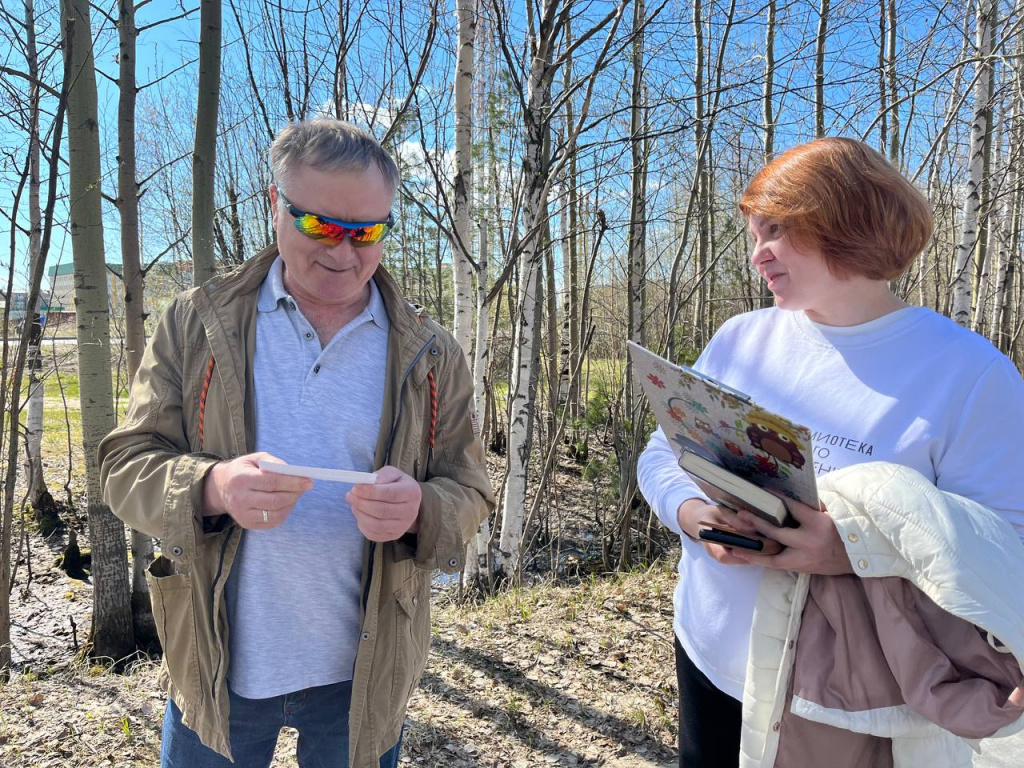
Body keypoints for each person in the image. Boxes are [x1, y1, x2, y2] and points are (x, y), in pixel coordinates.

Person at [99, 119, 494, 768]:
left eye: (367, 232)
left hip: (365, 674)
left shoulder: (430, 354)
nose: (344, 251)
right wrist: (212, 486)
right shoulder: (196, 323)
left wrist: (424, 509)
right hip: (215, 661)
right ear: (273, 207)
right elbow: (124, 464)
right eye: (320, 226)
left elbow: (471, 488)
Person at [637, 137, 1024, 768]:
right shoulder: (742, 340)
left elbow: (1005, 552)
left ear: (845, 222)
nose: (755, 253)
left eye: (776, 230)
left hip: (846, 700)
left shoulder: (970, 374)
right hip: (709, 656)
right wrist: (691, 514)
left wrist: (850, 554)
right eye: (752, 232)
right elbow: (661, 452)